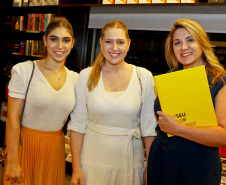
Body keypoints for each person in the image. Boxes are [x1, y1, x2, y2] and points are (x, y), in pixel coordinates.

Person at [68, 19, 157, 185]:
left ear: (129, 44)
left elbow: (149, 128)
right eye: (109, 42)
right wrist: (76, 168)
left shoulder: (143, 77)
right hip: (92, 164)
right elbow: (77, 125)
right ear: (101, 43)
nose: (114, 48)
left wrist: (149, 169)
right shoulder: (86, 76)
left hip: (130, 165)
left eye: (120, 42)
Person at [147, 18, 226, 185]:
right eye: (177, 43)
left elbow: (223, 136)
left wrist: (178, 129)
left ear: (202, 43)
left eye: (190, 40)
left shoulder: (219, 81)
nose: (183, 47)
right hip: (162, 161)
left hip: (198, 166)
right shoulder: (169, 77)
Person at [4, 17, 78, 185]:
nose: (60, 46)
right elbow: (12, 119)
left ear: (72, 43)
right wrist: (13, 161)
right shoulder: (25, 71)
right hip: (25, 147)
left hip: (55, 150)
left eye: (66, 40)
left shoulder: (76, 79)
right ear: (45, 41)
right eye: (54, 39)